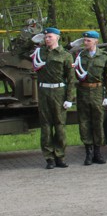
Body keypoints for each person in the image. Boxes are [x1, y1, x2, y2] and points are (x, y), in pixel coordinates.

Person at [32, 27, 75, 169]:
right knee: (45, 127)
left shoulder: (65, 55)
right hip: (44, 92)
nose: (47, 39)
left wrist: (69, 98)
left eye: (49, 36)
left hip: (59, 92)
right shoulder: (39, 53)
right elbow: (21, 52)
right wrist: (32, 39)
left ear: (57, 37)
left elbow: (70, 79)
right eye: (45, 37)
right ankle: (49, 158)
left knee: (60, 126)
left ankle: (60, 156)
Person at [73, 30, 107, 165]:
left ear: (96, 41)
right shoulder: (79, 56)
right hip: (83, 90)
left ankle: (98, 152)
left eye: (88, 40)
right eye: (84, 40)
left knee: (98, 122)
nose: (85, 43)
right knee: (84, 123)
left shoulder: (104, 56)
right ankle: (88, 153)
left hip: (97, 91)